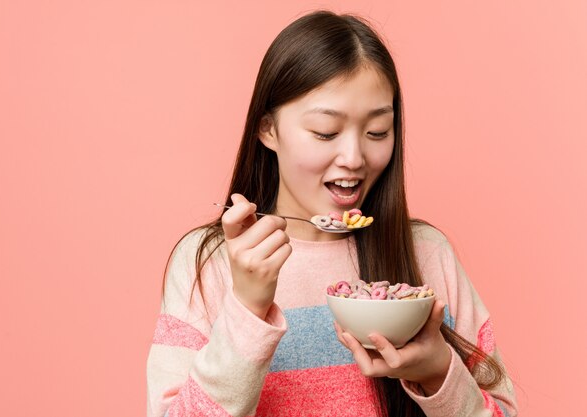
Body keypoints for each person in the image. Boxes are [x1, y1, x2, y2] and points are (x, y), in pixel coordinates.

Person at [147, 10, 518, 417]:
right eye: (325, 132)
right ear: (268, 129)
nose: (354, 158)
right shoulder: (210, 263)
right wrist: (247, 310)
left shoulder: (428, 253)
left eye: (377, 132)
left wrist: (437, 373)